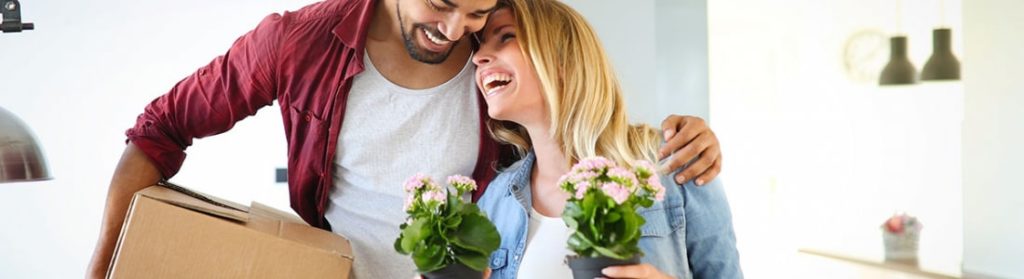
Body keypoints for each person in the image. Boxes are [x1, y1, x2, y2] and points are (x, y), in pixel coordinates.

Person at [86, 0, 725, 278]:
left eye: (480, 17)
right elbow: (157, 133)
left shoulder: (649, 173)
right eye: (441, 5)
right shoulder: (295, 43)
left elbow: (572, 123)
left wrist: (675, 138)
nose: (456, 33)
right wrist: (102, 269)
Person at [472, 1, 741, 278]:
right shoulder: (494, 201)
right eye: (480, 44)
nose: (478, 56)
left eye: (506, 36)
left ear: (562, 57)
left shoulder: (674, 161)